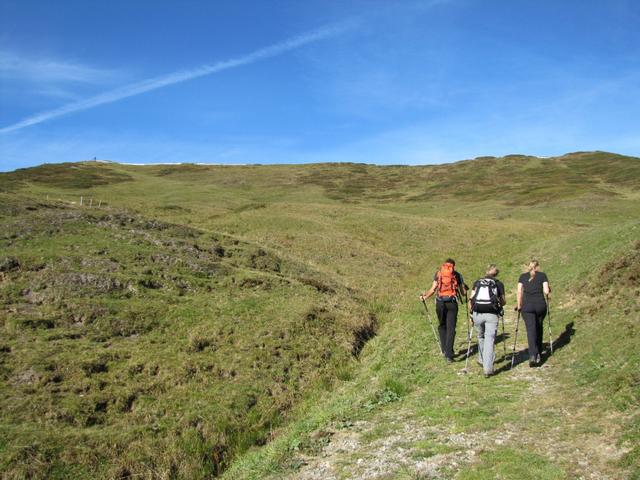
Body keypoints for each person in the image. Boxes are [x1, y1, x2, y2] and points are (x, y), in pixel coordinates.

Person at [420, 258, 467, 363]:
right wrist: (465, 288)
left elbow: (433, 289)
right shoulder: (457, 275)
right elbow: (463, 293)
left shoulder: (438, 273)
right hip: (452, 303)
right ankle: (449, 355)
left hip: (440, 302)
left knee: (442, 326)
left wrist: (425, 297)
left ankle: (444, 349)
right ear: (453, 266)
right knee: (451, 328)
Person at [469, 264, 506, 377]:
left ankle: (481, 359)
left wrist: (471, 314)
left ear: (486, 272)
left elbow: (471, 299)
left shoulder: (477, 282)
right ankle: (487, 369)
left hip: (477, 313)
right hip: (491, 314)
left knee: (480, 336)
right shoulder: (498, 284)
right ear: (496, 273)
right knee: (489, 340)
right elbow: (503, 301)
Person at [517, 259, 550, 367]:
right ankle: (539, 351)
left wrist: (519, 305)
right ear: (538, 266)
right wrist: (549, 290)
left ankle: (533, 355)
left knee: (531, 330)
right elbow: (546, 291)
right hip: (540, 305)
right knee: (539, 327)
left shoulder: (522, 277)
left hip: (527, 306)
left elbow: (519, 292)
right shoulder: (542, 276)